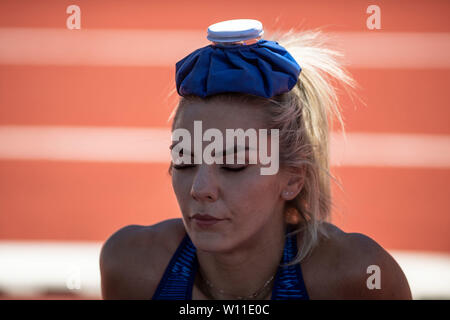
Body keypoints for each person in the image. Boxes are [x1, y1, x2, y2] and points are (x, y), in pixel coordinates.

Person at [99, 19, 412, 300]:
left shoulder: (355, 278)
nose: (200, 187)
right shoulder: (132, 268)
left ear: (293, 177)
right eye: (184, 161)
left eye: (233, 165)